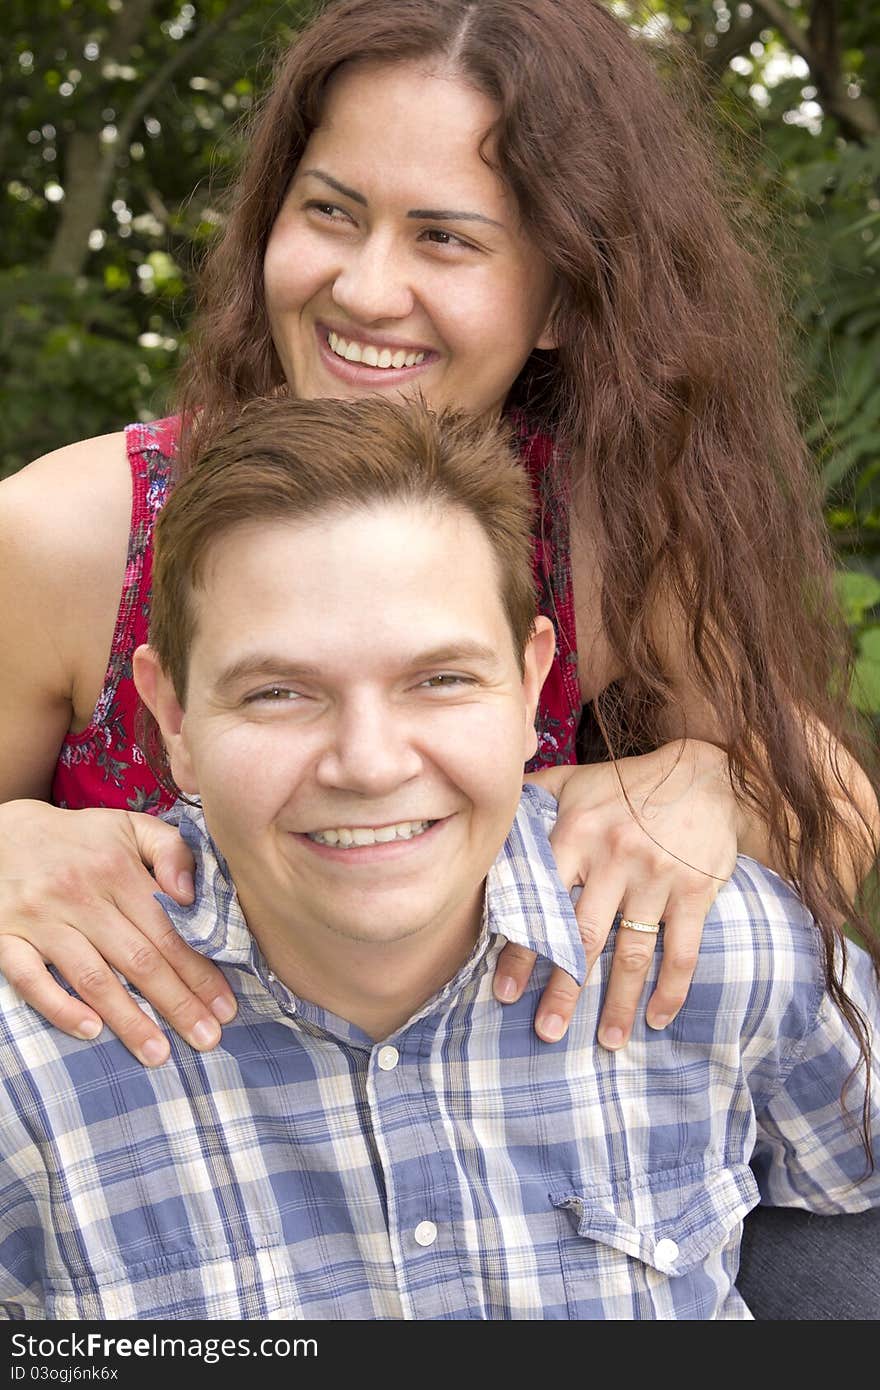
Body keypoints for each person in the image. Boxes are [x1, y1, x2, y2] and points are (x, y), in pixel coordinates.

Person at [1, 0, 878, 1311]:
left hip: (525, 1182)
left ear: (566, 295)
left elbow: (826, 816)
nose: (364, 288)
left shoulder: (614, 528)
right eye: (331, 211)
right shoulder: (73, 532)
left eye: (447, 239)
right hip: (172, 1193)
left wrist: (710, 774)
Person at [2, 395, 877, 1322]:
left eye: (442, 679)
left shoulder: (725, 946)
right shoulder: (30, 1061)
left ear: (532, 682)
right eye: (280, 692)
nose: (371, 765)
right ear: (173, 719)